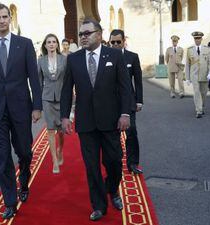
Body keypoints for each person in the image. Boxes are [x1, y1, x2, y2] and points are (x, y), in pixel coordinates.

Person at [61, 19, 131, 221]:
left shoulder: (115, 55)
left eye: (87, 33)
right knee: (91, 167)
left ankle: (113, 190)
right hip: (86, 122)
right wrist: (65, 116)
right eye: (81, 33)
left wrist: (125, 113)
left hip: (111, 121)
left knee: (114, 161)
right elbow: (67, 89)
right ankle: (99, 205)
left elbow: (125, 87)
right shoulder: (73, 59)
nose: (83, 36)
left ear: (99, 35)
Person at [0, 3, 42, 219]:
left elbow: (34, 77)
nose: (2, 20)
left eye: (5, 16)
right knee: (3, 156)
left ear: (10, 19)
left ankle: (24, 177)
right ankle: (10, 202)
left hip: (21, 107)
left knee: (24, 151)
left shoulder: (24, 44)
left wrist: (37, 106)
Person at [109, 29, 143, 174]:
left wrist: (139, 101)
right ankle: (115, 162)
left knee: (132, 132)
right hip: (110, 102)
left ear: (124, 41)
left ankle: (133, 163)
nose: (116, 44)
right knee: (112, 134)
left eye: (118, 41)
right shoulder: (105, 56)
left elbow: (138, 80)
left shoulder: (132, 57)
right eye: (113, 42)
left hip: (129, 102)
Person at [38, 33, 66, 174]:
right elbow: (39, 81)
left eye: (54, 41)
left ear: (57, 44)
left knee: (61, 131)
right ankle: (54, 160)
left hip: (62, 98)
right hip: (47, 98)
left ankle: (60, 150)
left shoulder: (64, 59)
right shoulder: (41, 60)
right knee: (50, 130)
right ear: (45, 45)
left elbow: (68, 80)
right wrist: (38, 101)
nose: (51, 44)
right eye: (48, 42)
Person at [185, 31, 210, 118]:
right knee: (196, 92)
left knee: (204, 93)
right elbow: (188, 64)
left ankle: (202, 106)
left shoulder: (207, 49)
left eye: (199, 38)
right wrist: (187, 77)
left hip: (204, 74)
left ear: (201, 39)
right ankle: (199, 110)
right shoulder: (190, 50)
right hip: (194, 75)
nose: (197, 40)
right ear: (194, 39)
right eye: (195, 38)